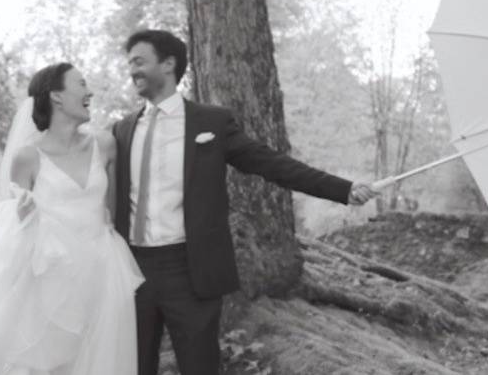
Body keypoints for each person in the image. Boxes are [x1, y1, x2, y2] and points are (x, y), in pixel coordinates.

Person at [112, 29, 377, 375]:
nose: (132, 70)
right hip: (131, 269)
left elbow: (273, 165)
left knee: (200, 367)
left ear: (168, 63)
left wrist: (343, 189)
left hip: (190, 270)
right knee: (132, 367)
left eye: (139, 61)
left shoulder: (211, 123)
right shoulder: (121, 130)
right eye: (130, 63)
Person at [0, 63, 144, 375]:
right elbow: (9, 229)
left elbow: (113, 212)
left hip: (101, 270)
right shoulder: (27, 156)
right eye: (81, 84)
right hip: (49, 277)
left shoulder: (105, 145)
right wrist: (21, 213)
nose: (90, 92)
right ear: (56, 96)